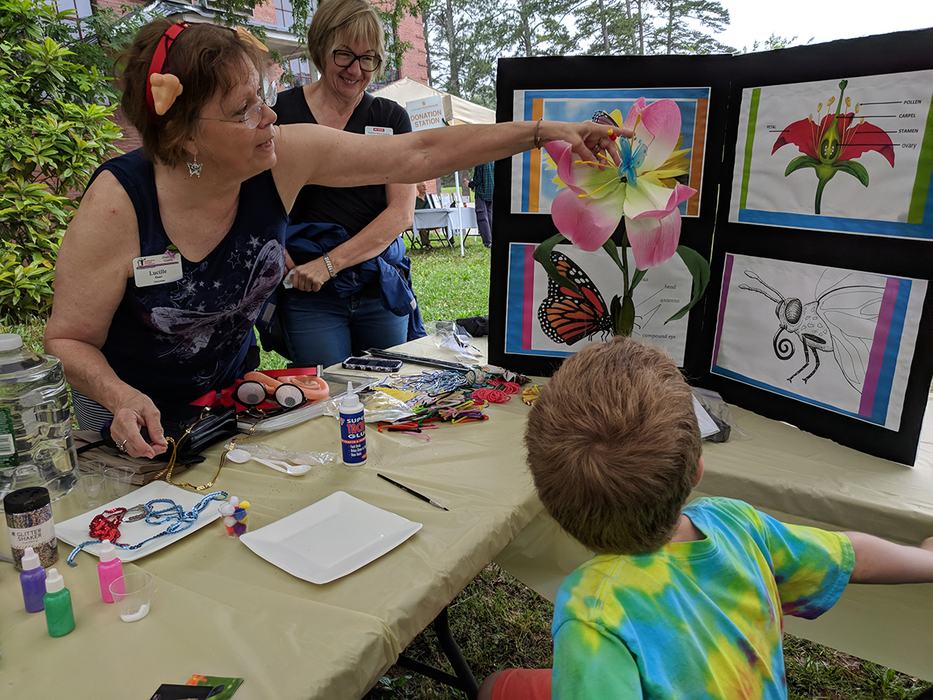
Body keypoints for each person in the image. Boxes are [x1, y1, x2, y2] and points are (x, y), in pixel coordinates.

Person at [43, 18, 620, 459]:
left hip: (225, 402)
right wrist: (119, 397)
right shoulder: (119, 204)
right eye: (244, 110)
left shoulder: (281, 156)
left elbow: (418, 152)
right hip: (127, 418)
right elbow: (68, 339)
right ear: (185, 135)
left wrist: (545, 131)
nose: (269, 117)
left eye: (263, 98)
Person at [480, 336, 933, 699]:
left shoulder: (594, 609)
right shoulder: (735, 522)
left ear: (550, 504)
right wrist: (927, 559)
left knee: (496, 687)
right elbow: (852, 556)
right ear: (697, 469)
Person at [273, 0, 422, 367]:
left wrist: (328, 264)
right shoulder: (280, 114)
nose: (356, 70)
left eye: (368, 58)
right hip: (309, 292)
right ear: (320, 47)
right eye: (344, 55)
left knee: (388, 391)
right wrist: (276, 251)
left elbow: (401, 213)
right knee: (327, 392)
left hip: (377, 287)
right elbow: (253, 201)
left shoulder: (390, 118)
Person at [470, 161, 494, 247]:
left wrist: (469, 184)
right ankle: (492, 239)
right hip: (491, 191)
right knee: (490, 216)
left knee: (482, 217)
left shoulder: (481, 161)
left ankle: (487, 241)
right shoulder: (492, 160)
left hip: (481, 193)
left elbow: (478, 179)